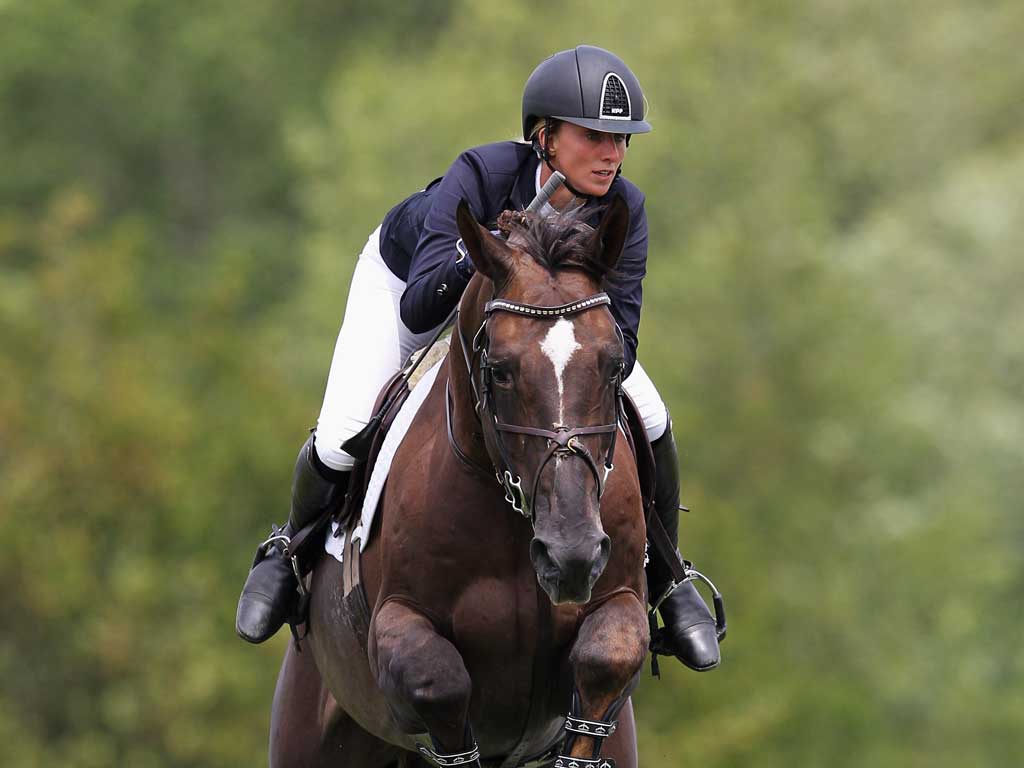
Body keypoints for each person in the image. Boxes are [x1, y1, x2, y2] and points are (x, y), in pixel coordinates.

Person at [235, 45, 721, 671]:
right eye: (595, 136)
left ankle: (667, 580)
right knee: (343, 433)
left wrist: (574, 361)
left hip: (550, 330)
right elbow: (418, 309)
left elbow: (621, 339)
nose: (614, 155)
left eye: (622, 140)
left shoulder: (625, 207)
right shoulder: (482, 174)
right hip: (409, 285)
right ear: (544, 137)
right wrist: (486, 244)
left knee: (653, 419)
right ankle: (288, 553)